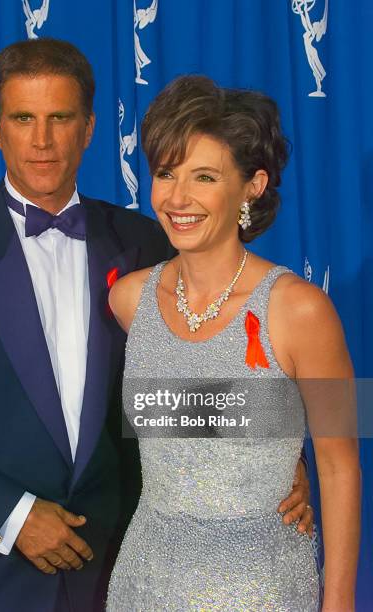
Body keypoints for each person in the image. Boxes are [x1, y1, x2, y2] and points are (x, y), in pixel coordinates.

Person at [0, 40, 312, 612]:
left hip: (114, 572)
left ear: (90, 127)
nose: (42, 140)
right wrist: (14, 517)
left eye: (60, 118)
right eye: (23, 118)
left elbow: (175, 395)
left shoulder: (148, 243)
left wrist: (279, 456)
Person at [107, 76, 360, 611]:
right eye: (165, 174)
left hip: (262, 588)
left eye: (204, 177)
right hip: (145, 583)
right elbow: (200, 418)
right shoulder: (129, 301)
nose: (178, 198)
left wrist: (339, 604)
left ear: (253, 185)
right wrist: (278, 444)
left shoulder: (300, 311)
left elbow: (339, 466)